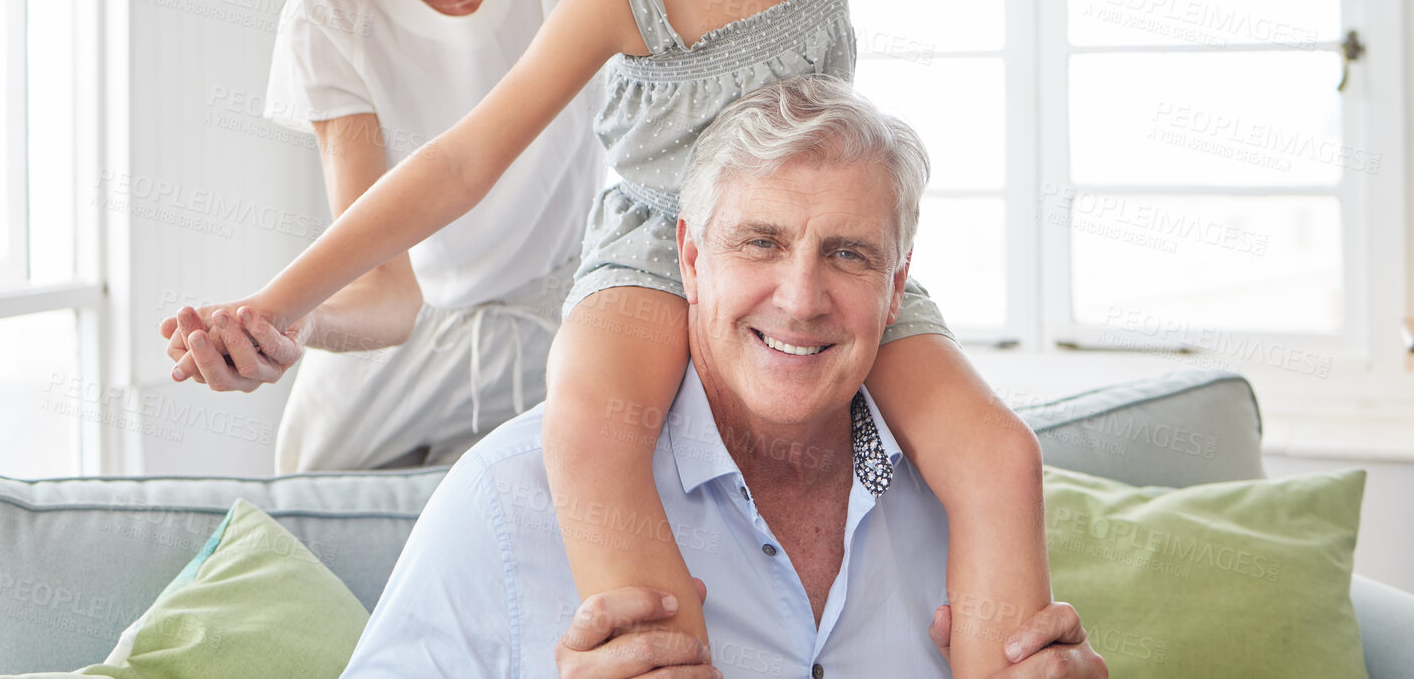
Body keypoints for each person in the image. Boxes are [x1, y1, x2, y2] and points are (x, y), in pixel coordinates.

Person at [168, 0, 1214, 679]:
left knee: (998, 452)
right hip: (653, 248)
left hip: (816, 235)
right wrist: (276, 304)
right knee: (587, 434)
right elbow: (463, 160)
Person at [340, 76, 1108, 679]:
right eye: (760, 242)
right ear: (691, 258)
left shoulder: (964, 508)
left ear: (897, 285)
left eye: (848, 253)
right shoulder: (506, 502)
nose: (801, 299)